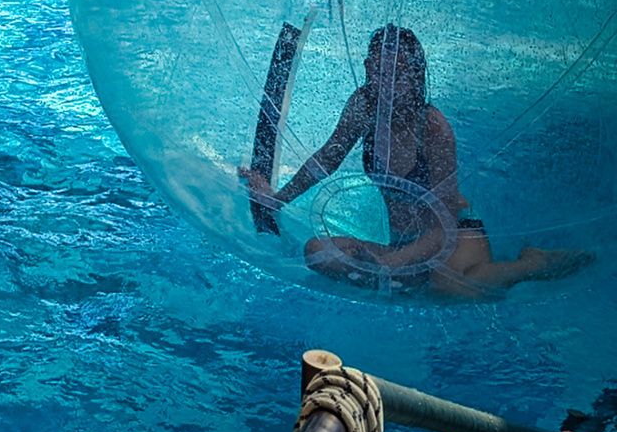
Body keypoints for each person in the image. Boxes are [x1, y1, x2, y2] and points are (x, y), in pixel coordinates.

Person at [244, 25, 593, 298]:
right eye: (378, 74)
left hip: (452, 239)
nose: (387, 86)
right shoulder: (364, 106)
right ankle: (406, 278)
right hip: (402, 243)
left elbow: (444, 225)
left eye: (397, 76)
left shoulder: (433, 128)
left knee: (450, 290)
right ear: (367, 69)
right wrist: (277, 199)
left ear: (417, 75)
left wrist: (387, 264)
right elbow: (327, 158)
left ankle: (529, 263)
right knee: (318, 252)